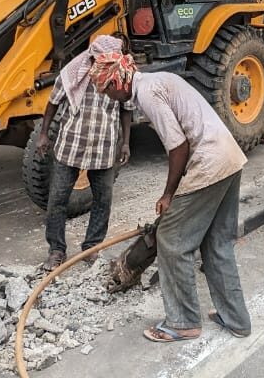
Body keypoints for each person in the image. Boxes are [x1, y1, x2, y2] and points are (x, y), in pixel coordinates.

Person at [91, 52, 251, 343]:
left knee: (172, 240)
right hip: (229, 158)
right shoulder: (159, 80)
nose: (109, 96)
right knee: (217, 244)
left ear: (118, 80)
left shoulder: (148, 92)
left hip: (210, 163)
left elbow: (178, 147)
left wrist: (169, 194)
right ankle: (236, 319)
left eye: (107, 90)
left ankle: (183, 322)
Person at [36, 35, 132, 270]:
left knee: (103, 200)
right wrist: (43, 133)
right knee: (57, 200)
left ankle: (91, 247)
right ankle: (56, 250)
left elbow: (127, 108)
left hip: (103, 147)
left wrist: (126, 142)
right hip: (71, 145)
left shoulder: (120, 74)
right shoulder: (74, 71)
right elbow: (52, 102)